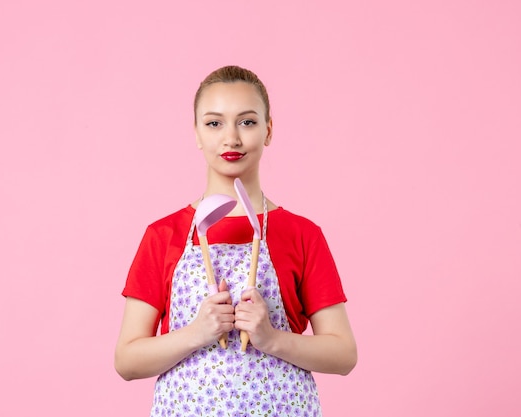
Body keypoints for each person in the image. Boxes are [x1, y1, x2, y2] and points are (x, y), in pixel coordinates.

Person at [114, 65, 357, 416]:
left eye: (247, 121)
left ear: (268, 130)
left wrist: (271, 338)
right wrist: (197, 332)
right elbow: (126, 360)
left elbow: (344, 355)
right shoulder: (162, 236)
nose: (232, 138)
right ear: (196, 133)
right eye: (214, 123)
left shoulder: (302, 234)